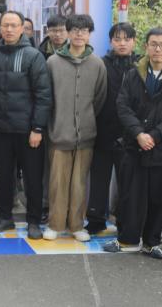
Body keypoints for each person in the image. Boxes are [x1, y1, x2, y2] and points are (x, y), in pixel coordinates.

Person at [103, 28, 162, 259]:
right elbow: (122, 106)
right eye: (153, 44)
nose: (157, 49)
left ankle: (152, 242)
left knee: (158, 198)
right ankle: (127, 239)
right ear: (146, 47)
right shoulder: (134, 75)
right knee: (130, 196)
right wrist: (139, 134)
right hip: (134, 145)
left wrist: (155, 136)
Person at [0, 11, 51, 240]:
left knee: (33, 178)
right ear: (0, 28)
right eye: (5, 25)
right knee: (3, 177)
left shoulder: (33, 56)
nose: (9, 29)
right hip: (0, 129)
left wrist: (38, 128)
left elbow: (43, 95)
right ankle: (4, 218)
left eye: (14, 25)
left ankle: (34, 221)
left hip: (28, 131)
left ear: (22, 28)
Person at [43, 14, 106, 242]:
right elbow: (47, 98)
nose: (79, 34)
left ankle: (77, 225)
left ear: (89, 34)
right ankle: (55, 224)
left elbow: (99, 98)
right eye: (75, 30)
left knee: (80, 183)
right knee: (57, 183)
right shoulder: (52, 62)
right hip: (59, 133)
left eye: (85, 30)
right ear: (68, 33)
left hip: (86, 134)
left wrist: (87, 120)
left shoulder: (97, 64)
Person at [86, 22, 137, 235]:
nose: (122, 43)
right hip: (103, 130)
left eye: (127, 39)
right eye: (117, 39)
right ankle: (96, 219)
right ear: (110, 41)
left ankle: (124, 220)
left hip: (130, 134)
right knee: (99, 179)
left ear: (134, 41)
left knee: (127, 181)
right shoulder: (101, 63)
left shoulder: (140, 65)